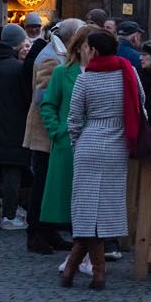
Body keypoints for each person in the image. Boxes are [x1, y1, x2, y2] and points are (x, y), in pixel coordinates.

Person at [61, 31, 145, 290]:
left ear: (94, 51)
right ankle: (94, 272)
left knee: (85, 208)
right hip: (117, 145)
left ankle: (78, 271)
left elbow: (74, 119)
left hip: (89, 143)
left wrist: (78, 144)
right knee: (105, 207)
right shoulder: (128, 72)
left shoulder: (86, 79)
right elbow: (141, 104)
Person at [23, 18, 82, 255]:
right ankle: (35, 233)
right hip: (45, 132)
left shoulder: (59, 53)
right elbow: (43, 98)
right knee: (42, 183)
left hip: (52, 131)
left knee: (49, 183)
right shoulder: (50, 57)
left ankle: (48, 232)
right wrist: (57, 129)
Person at [40, 28, 88, 266]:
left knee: (89, 200)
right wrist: (57, 131)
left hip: (94, 142)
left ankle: (87, 253)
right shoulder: (62, 72)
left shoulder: (104, 73)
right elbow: (48, 104)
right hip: (67, 142)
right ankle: (81, 254)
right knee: (67, 198)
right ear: (78, 47)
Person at [0, 23, 31, 229]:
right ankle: (9, 216)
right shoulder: (18, 68)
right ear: (17, 44)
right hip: (15, 126)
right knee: (12, 170)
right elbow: (26, 98)